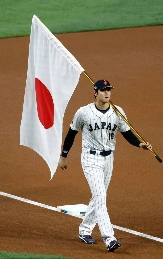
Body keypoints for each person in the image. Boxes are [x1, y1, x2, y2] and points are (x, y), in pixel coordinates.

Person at [58, 79, 152, 252]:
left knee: (98, 196)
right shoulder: (84, 112)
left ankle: (84, 230)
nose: (107, 93)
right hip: (90, 159)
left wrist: (140, 144)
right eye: (103, 90)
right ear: (95, 92)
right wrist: (63, 156)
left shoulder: (117, 112)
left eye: (109, 90)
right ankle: (109, 238)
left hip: (108, 159)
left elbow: (127, 133)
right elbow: (71, 134)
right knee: (101, 196)